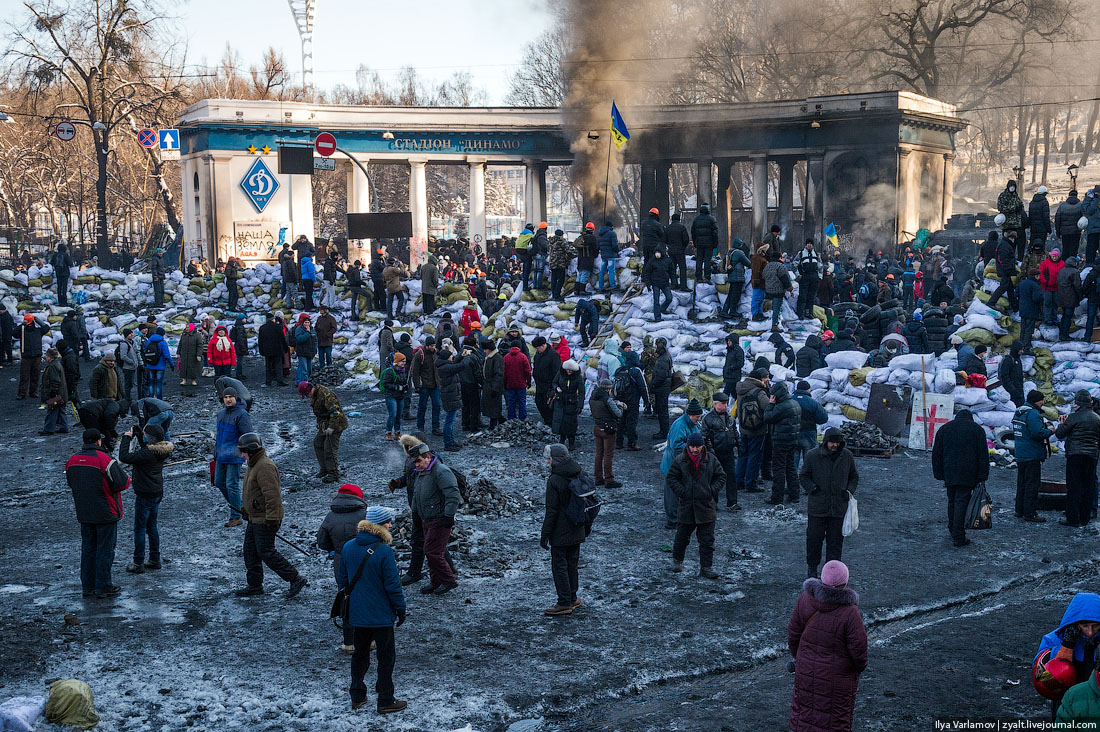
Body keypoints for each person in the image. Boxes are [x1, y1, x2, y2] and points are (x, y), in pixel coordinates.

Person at [338, 506, 407, 714]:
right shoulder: (384, 551)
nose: (391, 525)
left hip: (357, 614)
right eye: (387, 522)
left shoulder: (349, 547)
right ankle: (385, 699)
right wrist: (400, 608)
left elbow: (342, 579)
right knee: (386, 658)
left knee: (359, 655)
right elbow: (393, 585)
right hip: (381, 616)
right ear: (378, 526)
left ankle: (357, 695)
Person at [787, 560, 868, 732]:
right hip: (838, 679)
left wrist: (801, 659)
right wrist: (855, 670)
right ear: (844, 583)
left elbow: (793, 635)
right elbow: (859, 653)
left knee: (805, 717)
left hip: (806, 671)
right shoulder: (850, 612)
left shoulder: (805, 599)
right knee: (833, 721)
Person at [234, 432, 308, 599]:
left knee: (266, 552)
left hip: (266, 518)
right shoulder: (254, 464)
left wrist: (272, 518)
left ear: (251, 450)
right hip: (256, 517)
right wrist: (246, 509)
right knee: (250, 552)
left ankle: (295, 578)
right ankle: (255, 586)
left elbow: (272, 495)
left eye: (243, 451)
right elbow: (253, 492)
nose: (242, 455)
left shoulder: (264, 466)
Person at [66, 428, 131, 598]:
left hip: (84, 512)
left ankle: (88, 587)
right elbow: (122, 483)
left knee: (88, 549)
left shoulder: (72, 460)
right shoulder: (105, 459)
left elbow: (71, 483)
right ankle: (103, 586)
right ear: (98, 441)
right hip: (106, 512)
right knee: (105, 550)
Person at [800, 427, 858, 578]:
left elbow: (854, 476)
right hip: (817, 507)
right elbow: (804, 476)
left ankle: (832, 572)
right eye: (832, 442)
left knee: (835, 542)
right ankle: (812, 569)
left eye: (838, 443)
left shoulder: (847, 456)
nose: (835, 445)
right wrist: (813, 489)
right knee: (814, 539)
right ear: (826, 442)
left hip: (838, 507)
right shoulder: (812, 456)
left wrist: (849, 491)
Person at [316, 483, 368, 653]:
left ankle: (349, 642)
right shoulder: (365, 515)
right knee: (369, 597)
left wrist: (336, 550)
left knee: (347, 597)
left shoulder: (330, 516)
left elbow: (322, 542)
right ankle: (371, 639)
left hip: (341, 563)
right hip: (365, 560)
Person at [540, 443, 590, 615]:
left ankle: (563, 603)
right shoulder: (578, 472)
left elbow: (551, 511)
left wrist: (545, 534)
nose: (547, 461)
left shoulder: (554, 480)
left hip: (561, 531)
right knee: (572, 564)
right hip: (578, 527)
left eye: (549, 458)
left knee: (559, 565)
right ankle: (572, 597)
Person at [1035, 593, 1100, 721]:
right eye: (1085, 626)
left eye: (1096, 625)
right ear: (1076, 623)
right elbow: (1038, 674)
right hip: (1066, 703)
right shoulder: (1054, 639)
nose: (1090, 632)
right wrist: (1066, 645)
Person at [667, 432, 724, 578]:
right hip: (686, 507)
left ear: (702, 446)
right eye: (692, 446)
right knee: (681, 537)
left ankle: (706, 568)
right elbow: (671, 478)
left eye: (697, 446)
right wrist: (682, 492)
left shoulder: (711, 460)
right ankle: (677, 561)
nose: (694, 449)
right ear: (688, 446)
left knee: (707, 540)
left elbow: (721, 476)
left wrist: (712, 490)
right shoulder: (680, 460)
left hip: (706, 507)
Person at [118, 422, 173, 573]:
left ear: (149, 438)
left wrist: (126, 438)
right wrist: (137, 434)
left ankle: (138, 562)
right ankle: (155, 559)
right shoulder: (162, 450)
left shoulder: (146, 453)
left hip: (144, 494)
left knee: (140, 528)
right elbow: (147, 448)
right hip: (156, 492)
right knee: (152, 526)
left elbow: (124, 457)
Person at [931, 408, 990, 547]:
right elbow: (983, 455)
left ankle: (952, 528)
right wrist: (983, 475)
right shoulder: (977, 430)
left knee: (952, 501)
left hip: (949, 472)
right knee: (961, 502)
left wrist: (938, 473)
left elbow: (936, 453)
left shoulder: (944, 429)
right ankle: (958, 536)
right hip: (968, 473)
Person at [409, 443, 460, 595]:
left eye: (419, 461)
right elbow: (417, 495)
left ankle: (448, 580)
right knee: (432, 550)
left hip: (439, 519)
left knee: (432, 551)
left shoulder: (441, 471)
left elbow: (452, 494)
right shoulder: (422, 471)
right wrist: (415, 513)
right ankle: (436, 581)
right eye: (415, 462)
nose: (417, 465)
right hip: (427, 518)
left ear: (428, 457)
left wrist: (449, 515)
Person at [1055, 389, 1100, 528]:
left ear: (1078, 403)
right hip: (1091, 456)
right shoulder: (1097, 418)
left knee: (1074, 487)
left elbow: (1059, 434)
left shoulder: (1073, 417)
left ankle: (1073, 518)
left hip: (1075, 455)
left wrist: (1062, 423)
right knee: (1088, 486)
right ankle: (1085, 517)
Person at [660, 399, 704, 529]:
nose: (699, 419)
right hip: (673, 465)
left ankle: (680, 517)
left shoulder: (693, 424)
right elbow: (676, 446)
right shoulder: (679, 426)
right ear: (690, 415)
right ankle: (672, 520)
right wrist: (694, 448)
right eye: (697, 417)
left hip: (685, 465)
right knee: (672, 494)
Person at [215, 387, 254, 528]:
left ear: (236, 398)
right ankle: (239, 506)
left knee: (231, 484)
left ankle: (236, 516)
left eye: (231, 396)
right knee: (219, 482)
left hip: (235, 455)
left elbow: (248, 435)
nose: (228, 399)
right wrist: (215, 453)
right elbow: (219, 436)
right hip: (221, 455)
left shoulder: (242, 414)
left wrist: (248, 453)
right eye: (226, 397)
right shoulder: (221, 414)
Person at [1014, 389, 1053, 523]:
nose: (1043, 403)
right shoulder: (1033, 414)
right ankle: (1030, 513)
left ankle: (1019, 509)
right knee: (1032, 484)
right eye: (1042, 400)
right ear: (1039, 400)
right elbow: (1038, 433)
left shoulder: (1019, 412)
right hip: (1032, 454)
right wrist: (1050, 431)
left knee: (1022, 483)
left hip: (1020, 453)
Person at [299, 381, 348, 483]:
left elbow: (336, 412)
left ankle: (333, 473)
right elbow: (319, 412)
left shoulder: (326, 394)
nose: (308, 397)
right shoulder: (315, 395)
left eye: (307, 394)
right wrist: (319, 423)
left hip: (336, 424)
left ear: (310, 389)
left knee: (329, 448)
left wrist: (331, 427)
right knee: (318, 443)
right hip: (325, 425)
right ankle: (324, 469)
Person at [700, 392, 740, 511]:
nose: (726, 406)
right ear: (716, 404)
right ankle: (713, 502)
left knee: (732, 477)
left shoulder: (729, 417)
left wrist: (739, 445)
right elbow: (704, 437)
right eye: (723, 403)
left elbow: (735, 433)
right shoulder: (708, 419)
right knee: (714, 478)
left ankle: (732, 502)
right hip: (715, 453)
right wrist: (710, 452)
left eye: (726, 403)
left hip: (728, 452)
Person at [764, 383, 802, 505]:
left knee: (778, 469)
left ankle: (776, 497)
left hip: (781, 441)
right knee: (790, 467)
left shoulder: (781, 407)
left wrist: (770, 404)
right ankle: (794, 495)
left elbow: (767, 418)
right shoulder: (795, 403)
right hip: (793, 439)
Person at [735, 368, 771, 495]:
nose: (767, 380)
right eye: (765, 378)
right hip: (757, 430)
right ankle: (750, 483)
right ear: (759, 379)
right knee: (754, 456)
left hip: (743, 428)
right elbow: (768, 407)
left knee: (743, 454)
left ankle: (739, 481)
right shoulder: (759, 391)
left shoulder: (740, 389)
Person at [589, 378, 623, 489]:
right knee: (608, 455)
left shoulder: (592, 398)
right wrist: (621, 406)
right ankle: (609, 479)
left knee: (599, 454)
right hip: (608, 429)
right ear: (608, 389)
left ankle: (598, 478)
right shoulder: (607, 400)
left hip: (597, 427)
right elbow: (618, 414)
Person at [791, 381, 828, 472]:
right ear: (808, 390)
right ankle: (807, 482)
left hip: (792, 434)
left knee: (792, 461)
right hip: (809, 434)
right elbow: (823, 419)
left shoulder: (789, 400)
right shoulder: (813, 403)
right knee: (809, 461)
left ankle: (792, 483)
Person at [552, 359, 585, 449]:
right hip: (561, 400)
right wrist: (557, 388)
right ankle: (562, 438)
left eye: (571, 370)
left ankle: (571, 441)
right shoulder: (561, 373)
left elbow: (582, 392)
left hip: (572, 402)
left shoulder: (578, 377)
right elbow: (554, 382)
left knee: (571, 422)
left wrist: (580, 405)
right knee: (561, 420)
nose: (569, 372)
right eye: (567, 370)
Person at [16, 314, 50, 399]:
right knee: (24, 376)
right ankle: (22, 393)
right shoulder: (22, 331)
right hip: (26, 356)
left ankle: (33, 392)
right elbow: (14, 333)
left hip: (36, 356)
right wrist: (21, 325)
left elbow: (46, 328)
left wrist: (37, 319)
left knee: (35, 375)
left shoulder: (38, 331)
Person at [532, 336, 561, 425]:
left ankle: (550, 422)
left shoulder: (553, 355)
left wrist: (554, 385)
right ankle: (547, 420)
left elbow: (557, 372)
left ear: (543, 345)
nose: (537, 350)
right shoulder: (538, 355)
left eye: (538, 348)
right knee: (539, 402)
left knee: (548, 405)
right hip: (540, 384)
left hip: (549, 385)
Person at [649, 337, 675, 439]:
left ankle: (664, 432)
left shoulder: (663, 358)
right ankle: (664, 431)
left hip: (662, 388)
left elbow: (661, 375)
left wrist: (653, 385)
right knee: (662, 410)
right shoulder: (664, 356)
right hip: (663, 387)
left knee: (662, 410)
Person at [39, 348, 69, 435]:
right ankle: (64, 427)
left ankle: (49, 429)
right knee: (61, 410)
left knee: (52, 411)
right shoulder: (57, 364)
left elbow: (55, 381)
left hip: (57, 394)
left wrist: (53, 393)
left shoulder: (52, 366)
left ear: (49, 357)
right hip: (62, 393)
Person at [381, 352, 409, 440]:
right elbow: (385, 383)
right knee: (392, 414)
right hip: (391, 395)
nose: (404, 363)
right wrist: (397, 387)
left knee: (398, 415)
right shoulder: (390, 371)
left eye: (404, 361)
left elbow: (403, 382)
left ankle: (397, 432)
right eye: (402, 361)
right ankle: (388, 433)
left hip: (400, 396)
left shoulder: (403, 371)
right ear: (397, 361)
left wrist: (405, 387)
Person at [763, 250, 793, 330]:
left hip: (768, 290)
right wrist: (790, 289)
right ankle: (774, 325)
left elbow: (763, 277)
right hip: (778, 290)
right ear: (779, 258)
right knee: (776, 308)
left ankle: (771, 322)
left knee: (771, 308)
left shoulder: (767, 266)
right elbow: (785, 279)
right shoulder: (781, 266)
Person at [503, 339, 532, 421]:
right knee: (522, 401)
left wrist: (504, 382)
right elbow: (528, 371)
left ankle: (511, 418)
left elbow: (504, 371)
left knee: (511, 401)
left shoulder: (506, 357)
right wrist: (529, 381)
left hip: (510, 384)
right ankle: (523, 417)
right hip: (521, 384)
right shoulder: (523, 357)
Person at [690, 202, 719, 282]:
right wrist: (715, 243)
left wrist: (695, 243)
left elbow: (693, 232)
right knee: (707, 260)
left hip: (699, 243)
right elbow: (715, 232)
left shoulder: (696, 219)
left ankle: (698, 277)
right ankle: (707, 277)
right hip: (709, 243)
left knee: (699, 260)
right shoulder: (711, 219)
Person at [642, 248, 674, 321]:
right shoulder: (652, 261)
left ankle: (662, 309)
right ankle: (657, 317)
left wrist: (673, 282)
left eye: (658, 252)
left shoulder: (667, 260)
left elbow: (672, 272)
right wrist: (648, 284)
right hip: (655, 283)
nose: (657, 254)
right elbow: (647, 272)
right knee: (656, 301)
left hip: (665, 283)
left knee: (669, 298)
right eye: (656, 252)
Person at [723, 238, 751, 319]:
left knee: (731, 295)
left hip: (731, 276)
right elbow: (748, 263)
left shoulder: (730, 251)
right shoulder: (739, 253)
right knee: (735, 295)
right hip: (738, 277)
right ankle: (732, 311)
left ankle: (724, 311)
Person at [258, 313, 289, 387]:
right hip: (277, 350)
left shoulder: (262, 328)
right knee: (278, 366)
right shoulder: (278, 327)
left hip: (267, 350)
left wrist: (261, 350)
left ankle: (268, 382)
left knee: (268, 366)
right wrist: (285, 348)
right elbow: (282, 339)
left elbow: (260, 341)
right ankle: (280, 381)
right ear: (273, 319)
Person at [1057, 256, 1083, 341]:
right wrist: (1080, 296)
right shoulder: (1075, 272)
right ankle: (1065, 335)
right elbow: (1077, 286)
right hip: (1071, 297)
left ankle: (1061, 334)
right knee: (1068, 317)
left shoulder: (1062, 270)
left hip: (1061, 297)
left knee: (1064, 316)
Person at [794, 239, 821, 319]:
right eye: (808, 243)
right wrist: (798, 274)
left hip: (814, 277)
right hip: (805, 276)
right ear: (806, 245)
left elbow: (820, 266)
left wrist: (819, 276)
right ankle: (800, 313)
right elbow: (794, 264)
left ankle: (809, 312)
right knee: (803, 295)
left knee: (812, 296)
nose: (809, 245)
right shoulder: (801, 254)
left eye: (811, 244)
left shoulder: (816, 254)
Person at [664, 212, 690, 290]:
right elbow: (686, 239)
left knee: (672, 268)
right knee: (682, 268)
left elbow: (664, 240)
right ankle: (683, 286)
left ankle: (673, 284)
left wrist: (669, 246)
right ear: (679, 219)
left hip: (671, 251)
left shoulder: (668, 228)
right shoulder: (682, 227)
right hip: (680, 251)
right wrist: (683, 247)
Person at [1056, 190, 1085, 260]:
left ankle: (1063, 266)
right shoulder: (1080, 205)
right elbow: (1084, 218)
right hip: (1076, 232)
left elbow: (1057, 219)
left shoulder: (1062, 206)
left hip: (1065, 232)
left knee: (1065, 249)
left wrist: (1058, 231)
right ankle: (1072, 265)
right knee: (1074, 250)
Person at [999, 341, 1026, 407]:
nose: (1022, 351)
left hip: (1019, 392)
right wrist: (1012, 390)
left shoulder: (1018, 360)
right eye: (1020, 350)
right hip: (1012, 393)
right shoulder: (1008, 361)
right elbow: (1004, 377)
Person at [597, 220, 619, 291]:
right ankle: (613, 286)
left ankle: (601, 287)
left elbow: (598, 246)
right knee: (611, 271)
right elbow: (615, 245)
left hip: (603, 256)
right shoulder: (612, 234)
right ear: (611, 226)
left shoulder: (600, 234)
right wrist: (618, 251)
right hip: (611, 255)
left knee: (602, 271)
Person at [315, 305, 337, 371]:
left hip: (327, 340)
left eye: (321, 309)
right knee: (321, 355)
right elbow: (316, 326)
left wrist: (328, 334)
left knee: (328, 355)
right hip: (320, 340)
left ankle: (329, 367)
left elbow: (334, 328)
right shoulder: (319, 318)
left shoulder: (331, 318)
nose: (320, 311)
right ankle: (322, 367)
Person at [279, 243, 299, 308]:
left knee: (288, 293)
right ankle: (298, 305)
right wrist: (295, 280)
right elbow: (292, 272)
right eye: (293, 255)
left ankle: (288, 304)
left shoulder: (284, 261)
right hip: (291, 280)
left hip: (286, 279)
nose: (294, 256)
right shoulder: (290, 262)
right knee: (294, 293)